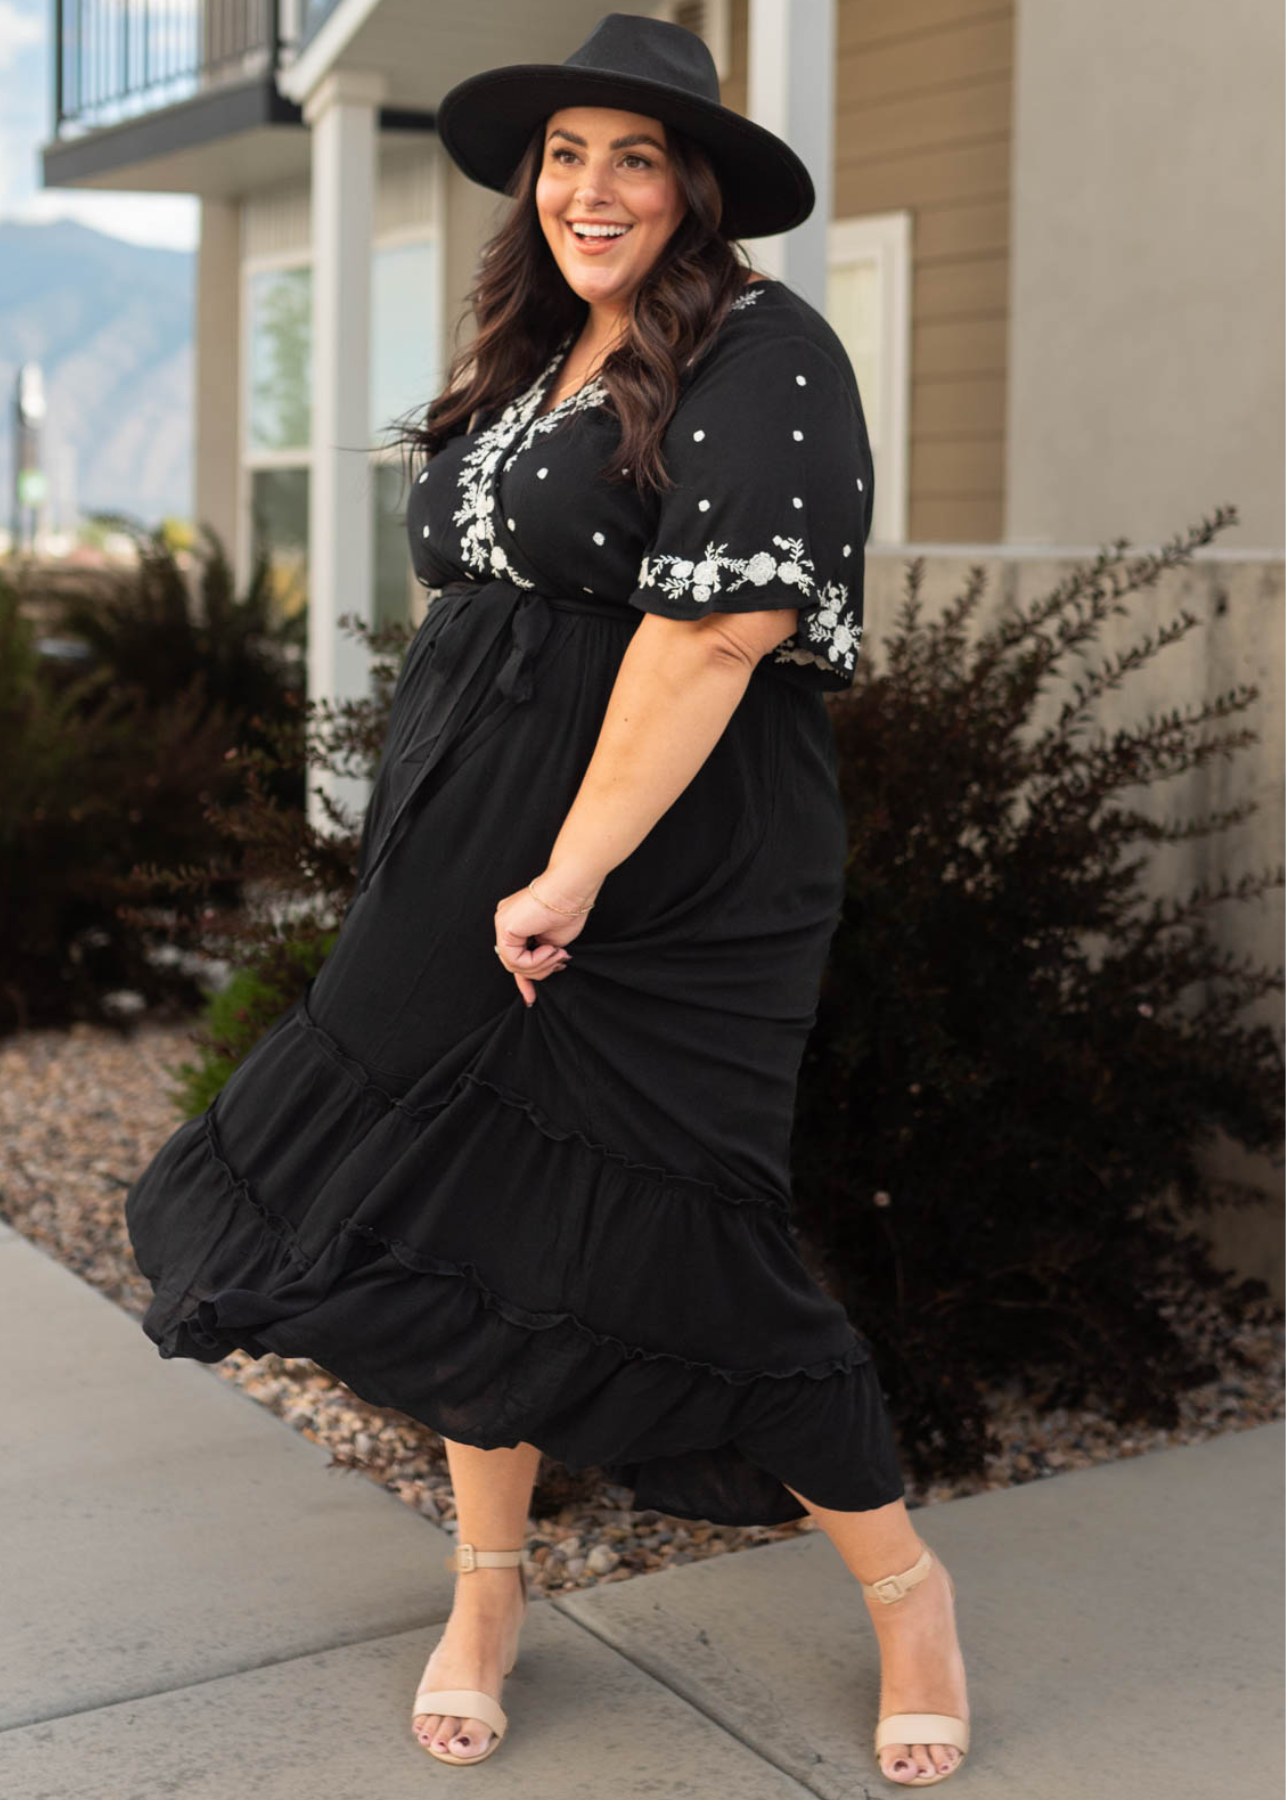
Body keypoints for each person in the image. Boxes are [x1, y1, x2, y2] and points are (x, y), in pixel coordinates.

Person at [124, 11, 970, 1787]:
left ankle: (904, 1595)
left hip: (670, 864)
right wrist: (441, 832)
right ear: (535, 180)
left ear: (696, 186)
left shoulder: (768, 348)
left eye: (635, 156)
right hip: (463, 848)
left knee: (693, 1225)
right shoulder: (532, 350)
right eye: (566, 154)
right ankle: (487, 1587)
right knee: (447, 1210)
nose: (593, 188)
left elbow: (720, 628)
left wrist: (568, 865)